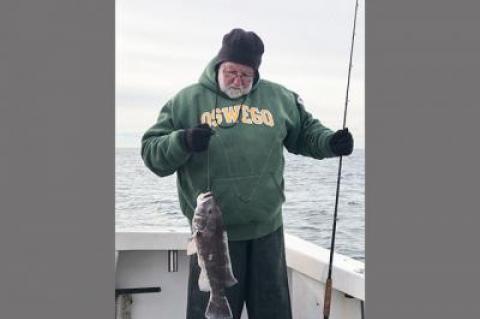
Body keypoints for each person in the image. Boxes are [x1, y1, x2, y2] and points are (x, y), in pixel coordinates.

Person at [141, 28, 354, 319]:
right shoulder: (187, 101)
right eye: (231, 72)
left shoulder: (278, 98)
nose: (238, 81)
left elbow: (306, 133)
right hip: (210, 236)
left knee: (273, 313)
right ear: (219, 65)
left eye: (246, 75)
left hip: (267, 233)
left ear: (256, 72)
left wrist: (331, 142)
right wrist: (183, 141)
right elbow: (152, 153)